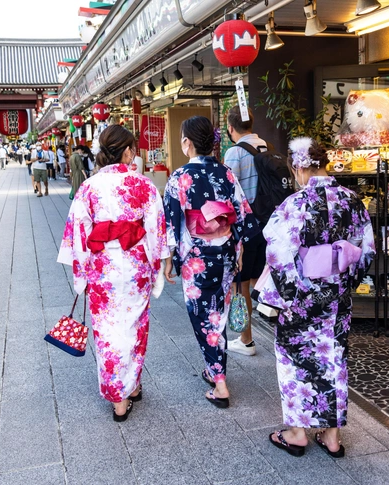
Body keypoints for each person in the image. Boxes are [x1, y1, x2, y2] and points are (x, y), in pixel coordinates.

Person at [258, 137, 375, 458]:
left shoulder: (295, 205)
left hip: (300, 300)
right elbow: (366, 253)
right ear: (325, 163)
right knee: (333, 360)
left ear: (298, 168)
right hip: (336, 300)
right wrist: (342, 280)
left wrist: (289, 292)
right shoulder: (353, 202)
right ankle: (332, 436)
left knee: (295, 361)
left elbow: (279, 254)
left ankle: (297, 433)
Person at [57, 125, 168, 422]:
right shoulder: (142, 185)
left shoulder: (89, 187)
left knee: (107, 332)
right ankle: (132, 386)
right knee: (135, 326)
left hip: (102, 268)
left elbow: (79, 233)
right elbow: (157, 230)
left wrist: (81, 273)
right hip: (135, 269)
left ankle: (118, 398)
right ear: (129, 151)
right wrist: (160, 264)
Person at [163, 116, 258, 409]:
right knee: (219, 312)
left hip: (196, 259)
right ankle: (213, 368)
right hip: (226, 254)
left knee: (204, 318)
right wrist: (239, 248)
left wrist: (168, 259)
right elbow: (242, 215)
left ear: (187, 143)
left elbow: (170, 223)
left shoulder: (180, 177)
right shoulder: (226, 174)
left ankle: (219, 383)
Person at [223, 106, 269, 357]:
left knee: (240, 285)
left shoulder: (235, 153)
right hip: (269, 223)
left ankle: (246, 340)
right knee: (259, 280)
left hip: (246, 226)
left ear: (231, 128)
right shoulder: (267, 147)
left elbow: (228, 193)